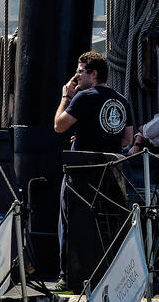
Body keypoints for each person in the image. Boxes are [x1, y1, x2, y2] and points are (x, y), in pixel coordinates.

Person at [53, 50, 134, 293]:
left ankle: (67, 277)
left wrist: (66, 97)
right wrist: (97, 136)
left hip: (82, 171)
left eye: (80, 72)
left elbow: (59, 125)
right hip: (111, 171)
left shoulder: (83, 97)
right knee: (107, 224)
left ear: (94, 74)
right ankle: (106, 275)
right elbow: (127, 139)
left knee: (70, 220)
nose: (76, 77)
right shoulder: (121, 101)